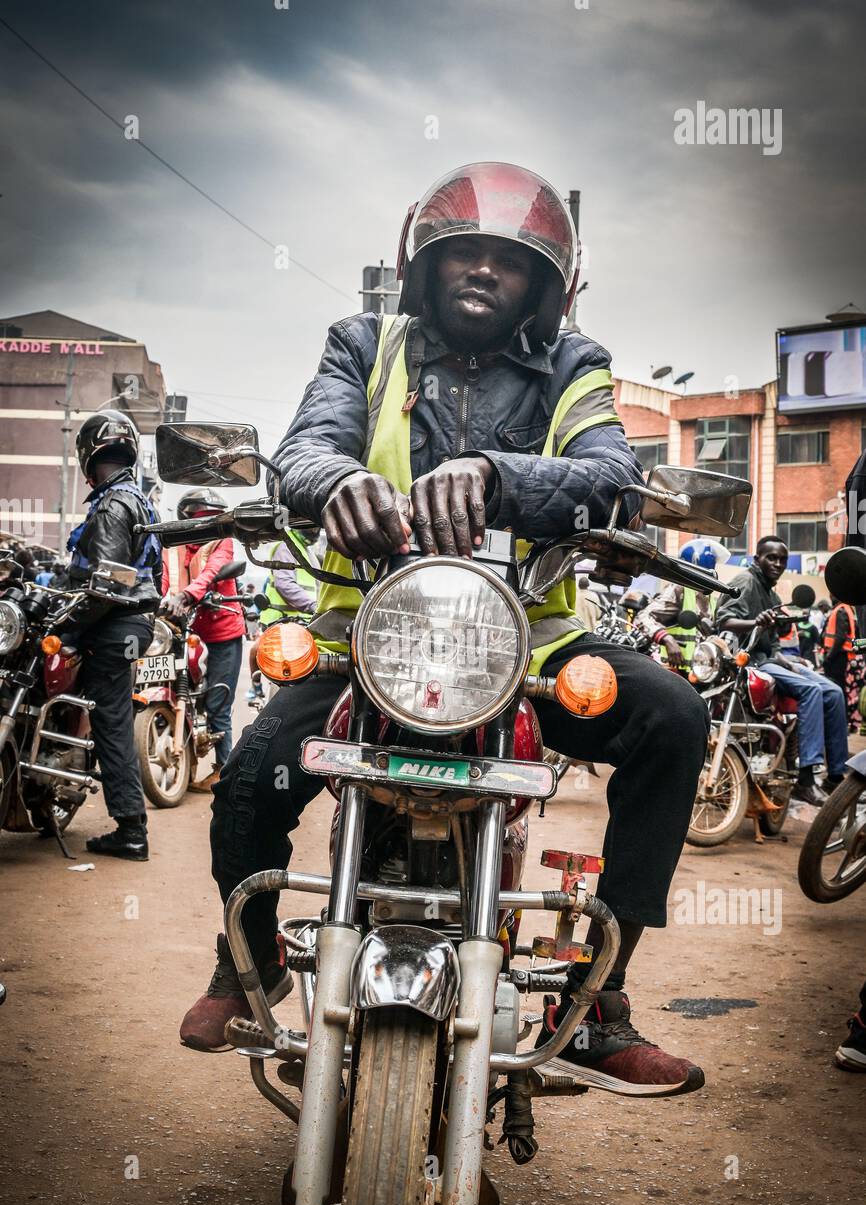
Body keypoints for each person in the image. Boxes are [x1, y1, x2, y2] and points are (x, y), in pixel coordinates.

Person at [180, 160, 711, 1098]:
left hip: (530, 653)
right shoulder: (363, 343)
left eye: (505, 262)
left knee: (672, 718)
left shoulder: (574, 367)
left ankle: (597, 1004)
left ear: (544, 286)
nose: (479, 270)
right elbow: (306, 444)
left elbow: (612, 472)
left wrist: (501, 477)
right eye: (459, 252)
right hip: (365, 651)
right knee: (254, 770)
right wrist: (333, 482)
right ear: (422, 267)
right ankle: (248, 964)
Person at [66, 409, 161, 860]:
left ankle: (130, 829)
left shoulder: (111, 504)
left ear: (87, 456)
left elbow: (106, 584)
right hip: (131, 624)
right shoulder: (137, 500)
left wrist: (66, 626)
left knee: (111, 719)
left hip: (115, 623)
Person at [715, 535, 848, 805]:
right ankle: (806, 779)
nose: (778, 564)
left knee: (833, 692)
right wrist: (756, 622)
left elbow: (774, 645)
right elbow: (724, 621)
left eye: (782, 560)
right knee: (811, 690)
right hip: (750, 661)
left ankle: (836, 777)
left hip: (771, 659)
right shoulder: (746, 582)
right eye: (771, 558)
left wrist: (788, 660)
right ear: (757, 559)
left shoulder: (772, 594)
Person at [161, 489, 244, 793]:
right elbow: (164, 582)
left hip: (223, 633)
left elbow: (212, 572)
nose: (206, 524)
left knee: (218, 703)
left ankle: (224, 769)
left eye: (211, 519)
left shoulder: (223, 542)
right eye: (200, 519)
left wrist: (187, 595)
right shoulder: (171, 547)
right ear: (186, 520)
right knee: (171, 689)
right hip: (182, 632)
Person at [246, 532, 317, 703]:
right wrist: (314, 606)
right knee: (260, 655)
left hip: (306, 623)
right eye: (311, 526)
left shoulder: (308, 552)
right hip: (283, 624)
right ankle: (258, 690)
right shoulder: (287, 547)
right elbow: (284, 584)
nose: (315, 531)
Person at [822, 590, 860, 732]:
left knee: (837, 691)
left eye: (832, 594)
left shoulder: (841, 610)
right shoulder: (847, 609)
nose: (830, 596)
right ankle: (842, 723)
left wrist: (828, 658)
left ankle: (839, 724)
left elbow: (839, 638)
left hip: (838, 657)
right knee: (841, 691)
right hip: (842, 656)